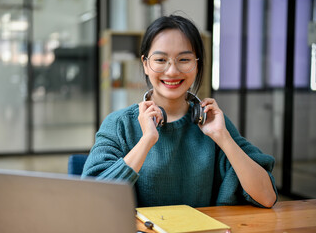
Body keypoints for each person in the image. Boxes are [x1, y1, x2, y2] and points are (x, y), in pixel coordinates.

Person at [82, 15, 278, 208]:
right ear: (145, 64)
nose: (172, 71)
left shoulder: (213, 122)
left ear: (197, 64)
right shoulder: (119, 124)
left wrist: (223, 138)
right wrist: (147, 140)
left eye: (184, 59)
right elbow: (91, 198)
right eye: (160, 59)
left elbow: (267, 197)